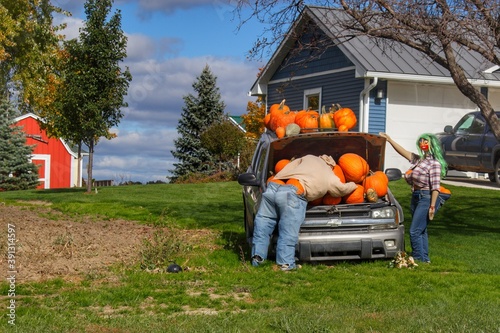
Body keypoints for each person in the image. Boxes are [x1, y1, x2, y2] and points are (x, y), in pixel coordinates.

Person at [251, 154, 357, 271]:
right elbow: (340, 190)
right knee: (288, 230)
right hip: (292, 193)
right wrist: (354, 185)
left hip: (273, 187)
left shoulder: (308, 157)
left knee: (263, 224)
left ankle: (257, 259)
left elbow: (288, 166)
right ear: (331, 165)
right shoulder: (328, 173)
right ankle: (286, 265)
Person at [379, 132, 448, 263]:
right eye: (421, 141)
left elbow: (435, 187)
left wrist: (432, 206)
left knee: (414, 231)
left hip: (426, 198)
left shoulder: (434, 164)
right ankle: (424, 259)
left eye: (425, 141)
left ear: (431, 144)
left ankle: (417, 258)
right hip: (416, 197)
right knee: (421, 230)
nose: (423, 144)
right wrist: (389, 140)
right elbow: (403, 152)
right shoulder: (419, 160)